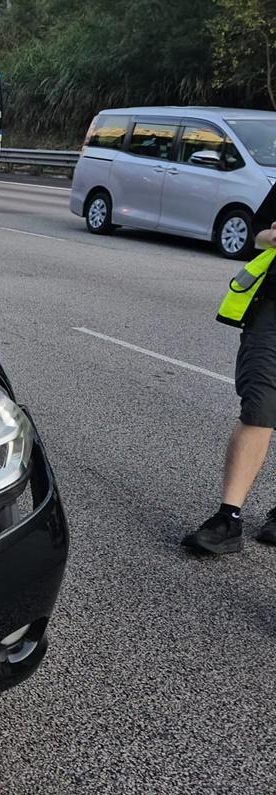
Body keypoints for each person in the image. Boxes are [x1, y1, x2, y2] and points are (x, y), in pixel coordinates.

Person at [183, 183, 276, 555]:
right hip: (271, 313)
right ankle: (228, 518)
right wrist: (272, 236)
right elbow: (259, 232)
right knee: (259, 407)